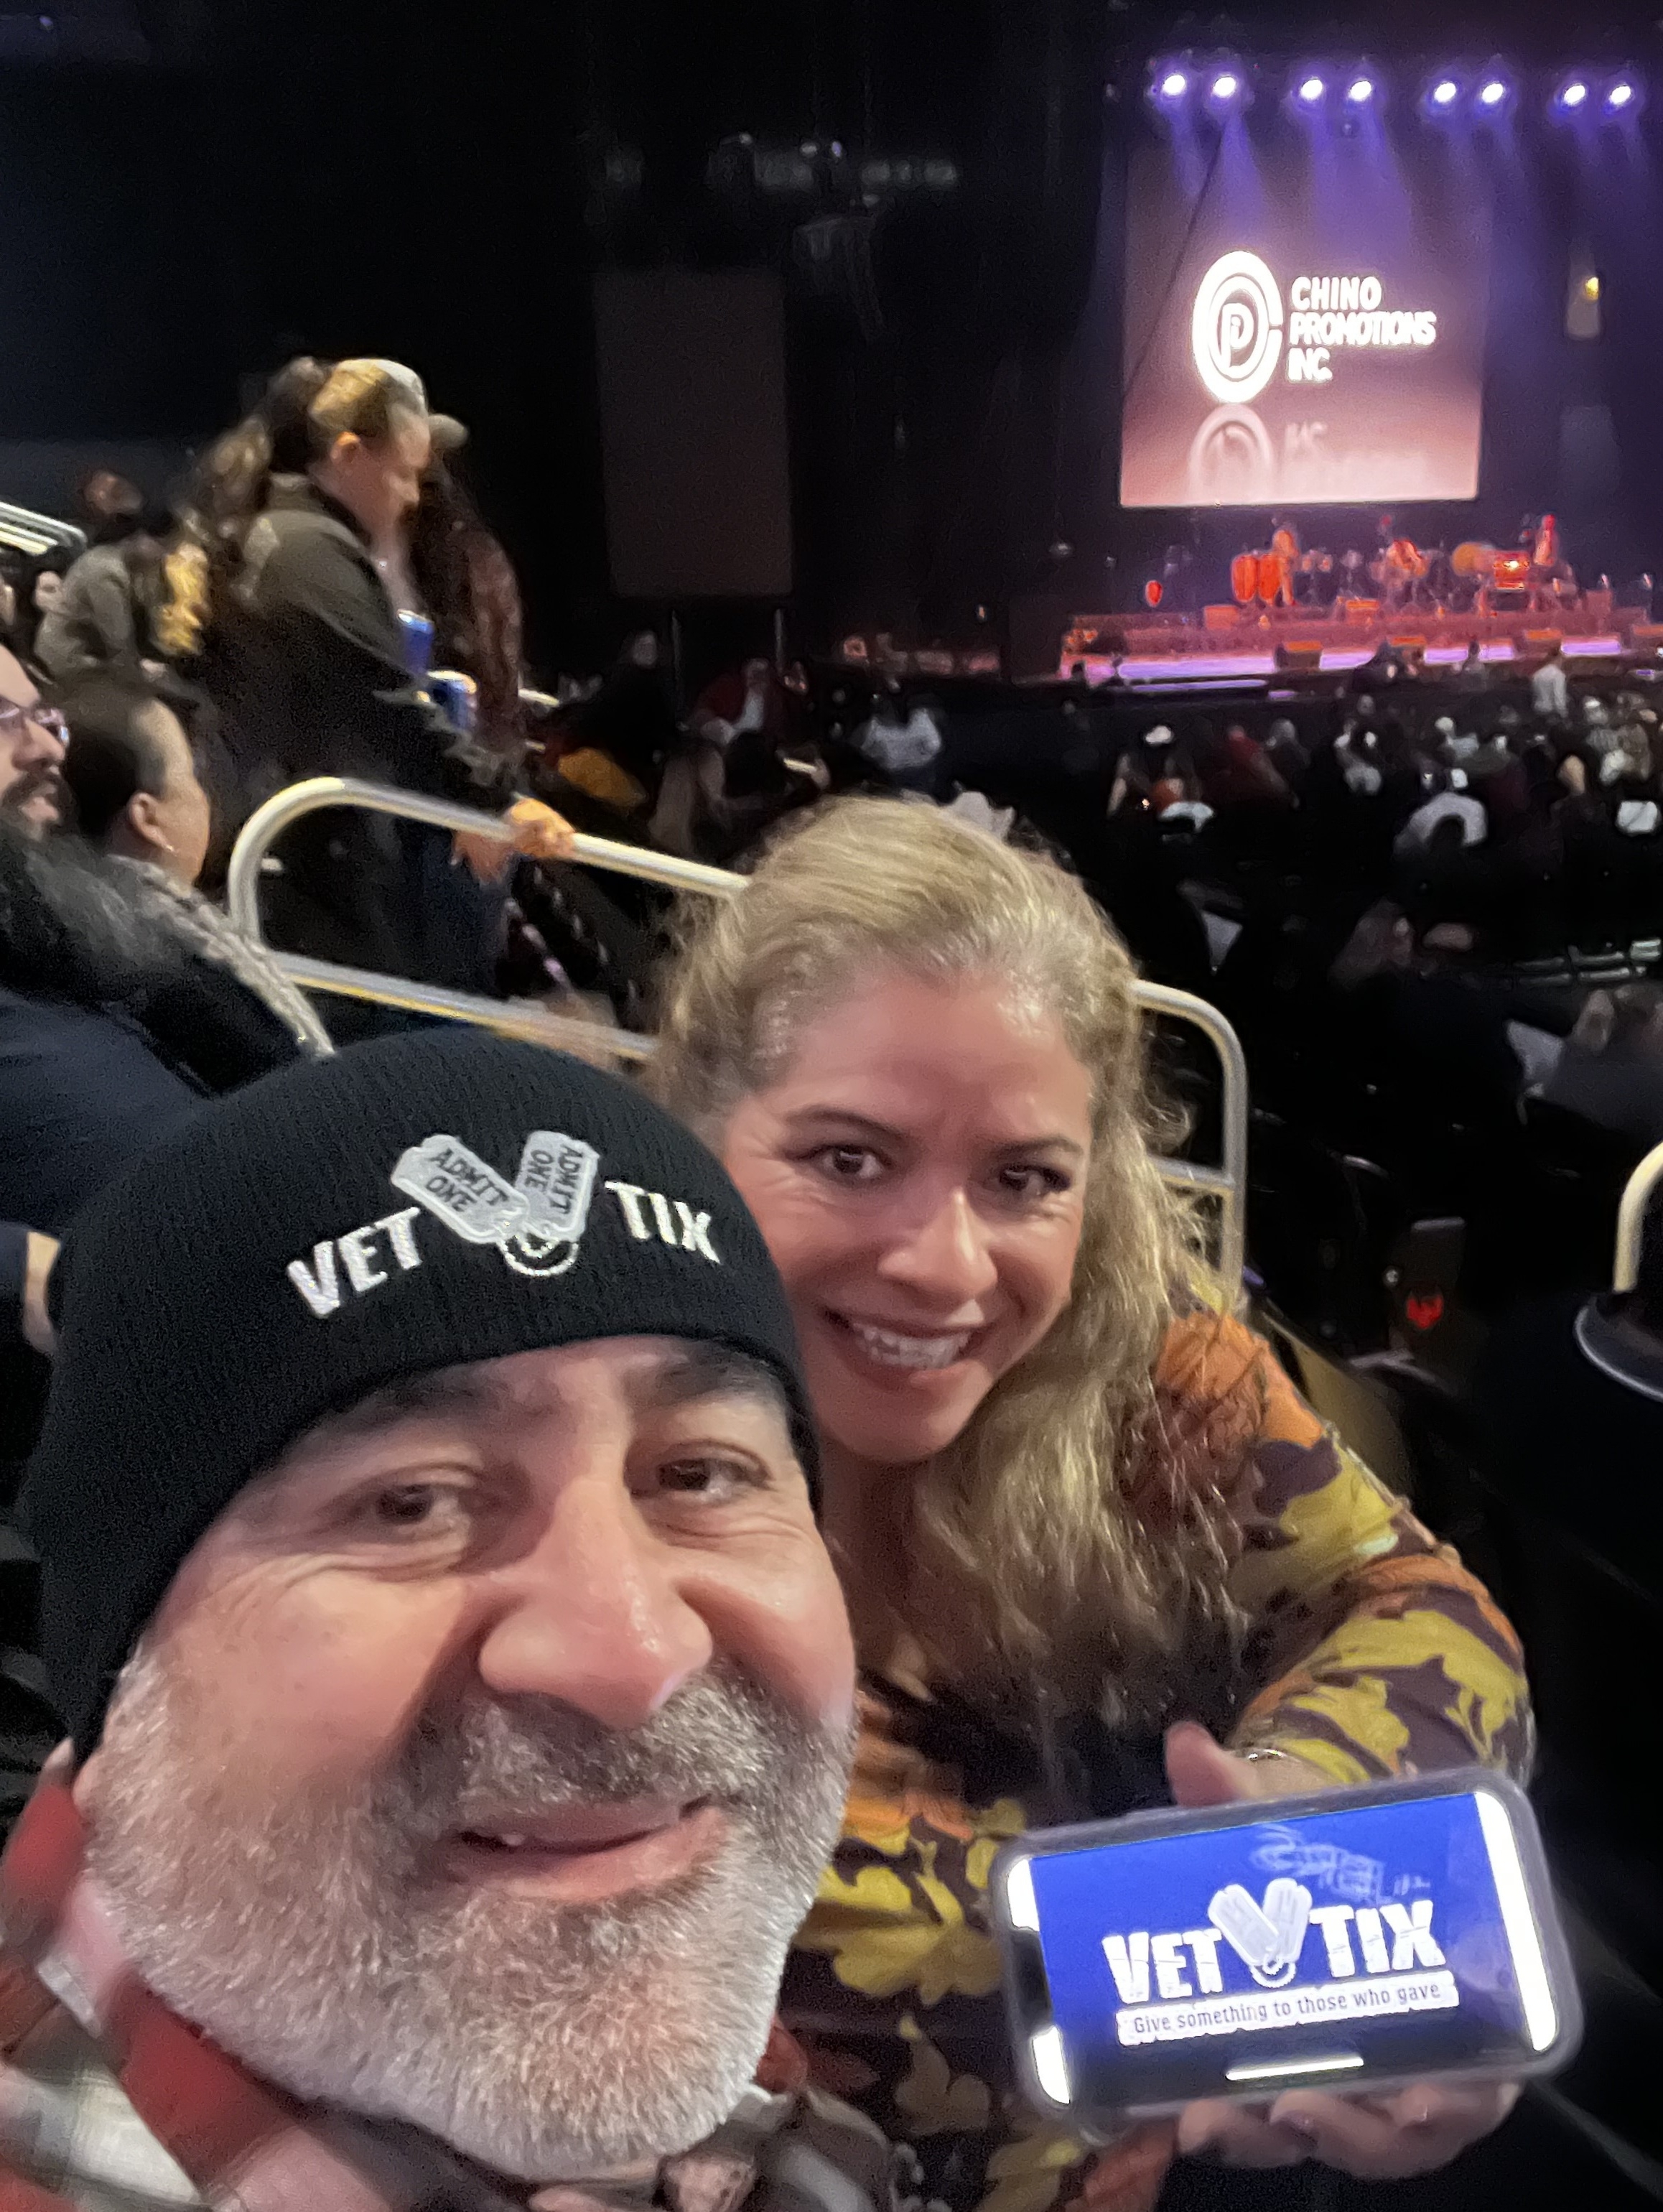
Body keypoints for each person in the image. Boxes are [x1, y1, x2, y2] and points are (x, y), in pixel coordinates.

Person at [648, 799, 1529, 2206]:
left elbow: (1411, 1601)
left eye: (1022, 1180)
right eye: (849, 1159)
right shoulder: (561, 1439)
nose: (945, 1266)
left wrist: (1317, 1827)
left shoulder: (1151, 1372)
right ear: (695, 1132)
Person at [1, 1029, 882, 2212]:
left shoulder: (776, 2126)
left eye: (699, 1475)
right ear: (122, 1684)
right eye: (411, 1503)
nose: (635, 1656)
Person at [32, 472, 165, 683]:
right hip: (82, 661)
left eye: (116, 487)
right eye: (98, 491)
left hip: (121, 650)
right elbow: (58, 555)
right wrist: (44, 573)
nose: (105, 492)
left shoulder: (156, 540)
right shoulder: (89, 545)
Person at [1530, 641, 1570, 725]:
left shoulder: (1537, 674)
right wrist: (1564, 716)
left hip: (1538, 711)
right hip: (1552, 714)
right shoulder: (1558, 675)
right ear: (1558, 658)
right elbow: (1558, 697)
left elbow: (1535, 694)